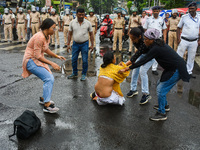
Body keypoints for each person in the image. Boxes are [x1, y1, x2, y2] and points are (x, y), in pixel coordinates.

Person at [119, 28, 190, 121]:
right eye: (144, 39)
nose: (144, 41)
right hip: (170, 68)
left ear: (152, 40)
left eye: (146, 39)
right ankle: (165, 105)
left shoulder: (156, 48)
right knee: (159, 85)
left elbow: (143, 60)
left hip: (176, 69)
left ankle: (161, 113)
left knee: (161, 90)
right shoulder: (155, 45)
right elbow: (139, 55)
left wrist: (128, 68)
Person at [22, 18, 66, 113]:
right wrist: (52, 63)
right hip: (30, 61)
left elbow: (45, 49)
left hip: (35, 59)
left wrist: (56, 56)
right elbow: (37, 56)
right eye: (53, 28)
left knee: (49, 78)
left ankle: (43, 98)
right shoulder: (39, 37)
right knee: (49, 79)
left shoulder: (47, 36)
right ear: (47, 28)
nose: (54, 30)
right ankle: (47, 105)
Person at [125, 27, 154, 104]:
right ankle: (133, 89)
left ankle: (146, 94)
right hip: (142, 54)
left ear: (139, 37)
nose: (132, 41)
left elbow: (135, 56)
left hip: (150, 56)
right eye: (131, 38)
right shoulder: (136, 38)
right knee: (135, 70)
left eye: (133, 39)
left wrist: (125, 66)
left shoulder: (144, 42)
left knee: (143, 71)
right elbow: (138, 54)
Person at [67, 7, 94, 81]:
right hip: (75, 44)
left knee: (85, 60)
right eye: (79, 15)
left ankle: (83, 74)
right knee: (73, 59)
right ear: (76, 14)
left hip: (85, 44)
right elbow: (69, 34)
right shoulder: (72, 22)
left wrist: (92, 45)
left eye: (83, 14)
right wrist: (68, 44)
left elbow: (91, 34)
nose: (81, 16)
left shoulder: (88, 23)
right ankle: (75, 73)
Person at [177, 2, 200, 79]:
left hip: (194, 41)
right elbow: (178, 28)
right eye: (189, 9)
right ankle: (177, 71)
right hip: (184, 40)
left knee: (191, 57)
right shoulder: (184, 17)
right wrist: (178, 39)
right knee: (179, 56)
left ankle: (189, 72)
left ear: (196, 9)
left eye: (192, 9)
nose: (190, 10)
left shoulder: (199, 17)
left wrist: (199, 40)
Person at [143, 6, 167, 76]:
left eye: (157, 11)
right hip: (150, 40)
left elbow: (164, 29)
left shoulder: (162, 20)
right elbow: (145, 28)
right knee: (148, 53)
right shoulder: (148, 19)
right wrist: (146, 37)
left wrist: (164, 38)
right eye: (154, 11)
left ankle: (154, 68)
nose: (155, 12)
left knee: (156, 54)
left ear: (159, 11)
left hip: (158, 39)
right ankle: (146, 67)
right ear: (152, 12)